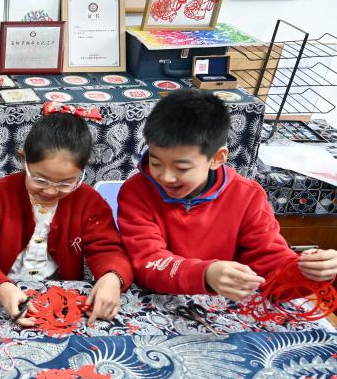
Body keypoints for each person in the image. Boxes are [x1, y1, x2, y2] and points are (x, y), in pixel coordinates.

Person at [118, 90, 337, 300]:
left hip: (225, 307)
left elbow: (270, 264)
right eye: (156, 163)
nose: (166, 177)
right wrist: (205, 274)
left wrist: (308, 272)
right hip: (156, 300)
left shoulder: (248, 197)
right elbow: (148, 261)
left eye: (181, 168)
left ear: (217, 158)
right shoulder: (136, 192)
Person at [0, 104, 133, 325]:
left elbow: (108, 249)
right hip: (4, 293)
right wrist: (0, 286)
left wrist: (112, 277)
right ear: (24, 161)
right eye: (40, 179)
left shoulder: (89, 202)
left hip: (61, 300)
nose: (50, 191)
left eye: (66, 183)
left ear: (82, 172)